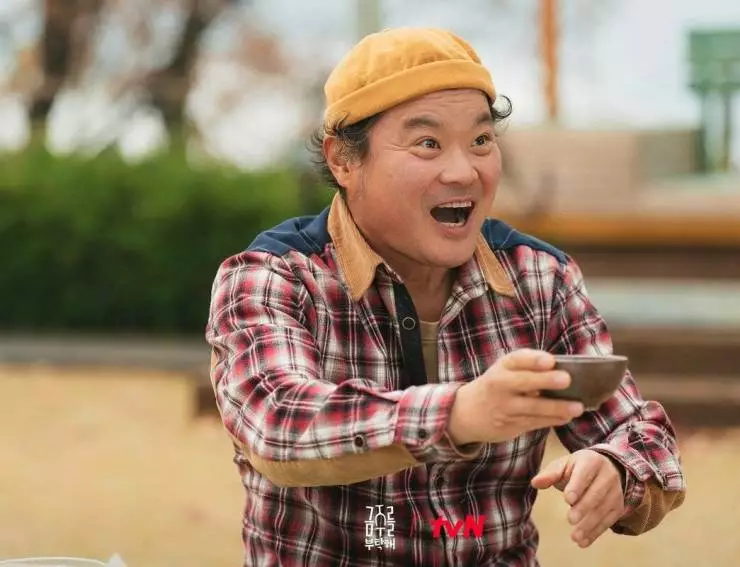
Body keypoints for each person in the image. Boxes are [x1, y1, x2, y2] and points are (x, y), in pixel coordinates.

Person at [205, 27, 686, 566]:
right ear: (343, 159)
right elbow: (276, 423)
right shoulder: (273, 277)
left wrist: (619, 469)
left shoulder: (540, 279)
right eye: (428, 144)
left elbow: (639, 432)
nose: (464, 172)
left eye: (481, 141)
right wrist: (461, 413)